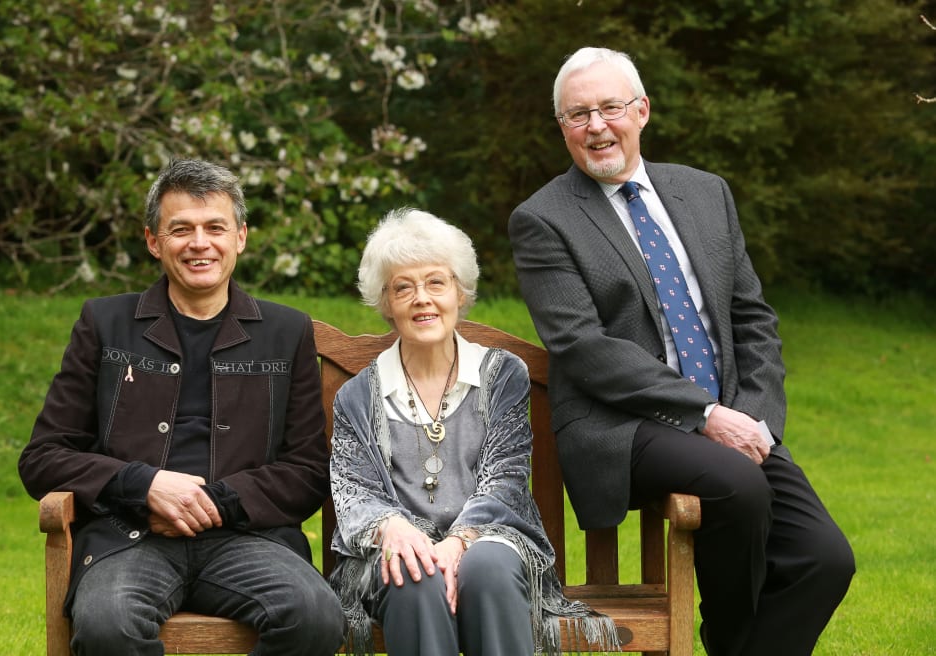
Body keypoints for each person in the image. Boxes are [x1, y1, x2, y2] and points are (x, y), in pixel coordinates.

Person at [508, 47, 855, 656]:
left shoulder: (705, 193)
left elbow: (753, 320)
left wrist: (756, 418)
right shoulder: (543, 219)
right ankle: (727, 638)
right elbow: (583, 347)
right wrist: (707, 415)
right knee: (737, 486)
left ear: (642, 111)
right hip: (624, 426)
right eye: (577, 114)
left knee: (825, 559)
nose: (596, 126)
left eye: (610, 108)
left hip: (730, 423)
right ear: (561, 127)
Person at [18, 158, 344, 656]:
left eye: (215, 227)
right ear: (154, 241)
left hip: (247, 538)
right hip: (127, 537)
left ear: (241, 237)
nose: (199, 243)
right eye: (180, 230)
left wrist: (217, 501)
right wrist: (144, 485)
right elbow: (42, 457)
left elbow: (306, 471)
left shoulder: (286, 332)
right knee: (108, 624)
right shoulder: (106, 323)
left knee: (316, 617)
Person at [328, 207, 618, 656]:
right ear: (385, 304)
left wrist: (458, 544)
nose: (421, 298)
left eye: (436, 283)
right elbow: (355, 494)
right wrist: (394, 529)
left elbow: (504, 480)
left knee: (486, 567)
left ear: (460, 293)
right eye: (403, 287)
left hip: (489, 540)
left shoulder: (501, 375)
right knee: (411, 570)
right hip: (393, 553)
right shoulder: (356, 396)